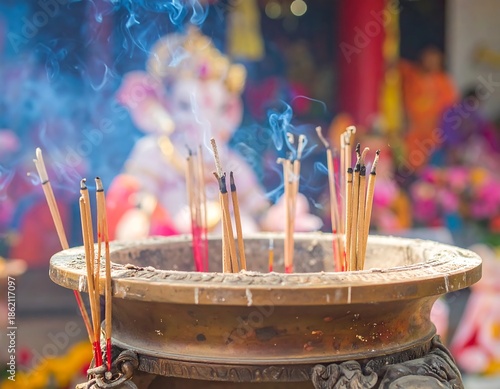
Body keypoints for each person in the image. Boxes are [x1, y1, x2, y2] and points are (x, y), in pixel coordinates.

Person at [107, 27, 321, 240]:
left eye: (212, 108)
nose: (198, 120)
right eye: (184, 106)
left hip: (225, 249)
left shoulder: (226, 158)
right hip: (171, 244)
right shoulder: (155, 151)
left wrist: (275, 216)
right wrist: (139, 216)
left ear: (228, 112)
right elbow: (139, 195)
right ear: (163, 105)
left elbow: (255, 204)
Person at [400, 46, 457, 170]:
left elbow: (451, 110)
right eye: (429, 58)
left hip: (434, 134)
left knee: (431, 171)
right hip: (411, 131)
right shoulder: (410, 74)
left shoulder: (444, 82)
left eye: (436, 60)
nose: (432, 62)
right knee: (409, 166)